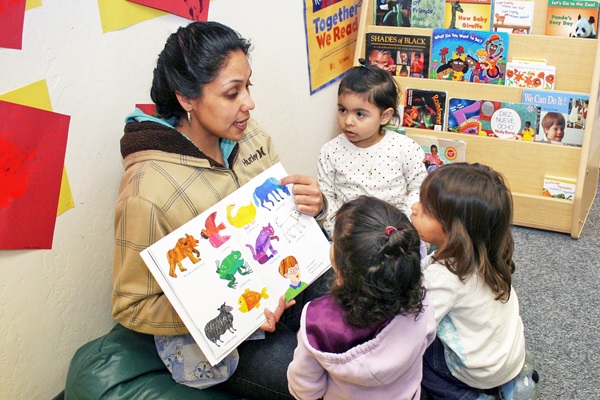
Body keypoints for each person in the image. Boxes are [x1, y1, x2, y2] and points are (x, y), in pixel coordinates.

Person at [111, 21, 330, 399]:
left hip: (284, 282)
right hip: (226, 334)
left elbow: (285, 215)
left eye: (248, 86)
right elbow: (132, 305)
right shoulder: (145, 192)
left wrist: (316, 205)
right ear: (186, 99)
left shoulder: (246, 133)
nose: (249, 103)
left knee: (371, 309)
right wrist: (227, 309)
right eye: (233, 92)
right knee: (318, 383)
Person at [287, 196, 436, 399]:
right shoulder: (423, 300)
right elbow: (428, 339)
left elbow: (304, 390)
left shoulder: (317, 323)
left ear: (341, 273)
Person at [410, 163, 527, 399]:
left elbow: (417, 327)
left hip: (476, 372)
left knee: (418, 362)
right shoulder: (487, 251)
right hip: (509, 358)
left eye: (426, 210)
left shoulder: (444, 277)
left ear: (456, 231)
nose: (413, 208)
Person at [317, 62, 427, 238]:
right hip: (351, 237)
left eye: (360, 114)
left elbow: (419, 189)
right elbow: (327, 198)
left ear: (385, 116)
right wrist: (340, 234)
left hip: (397, 234)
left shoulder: (405, 148)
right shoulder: (330, 152)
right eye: (343, 110)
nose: (348, 121)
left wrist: (405, 228)